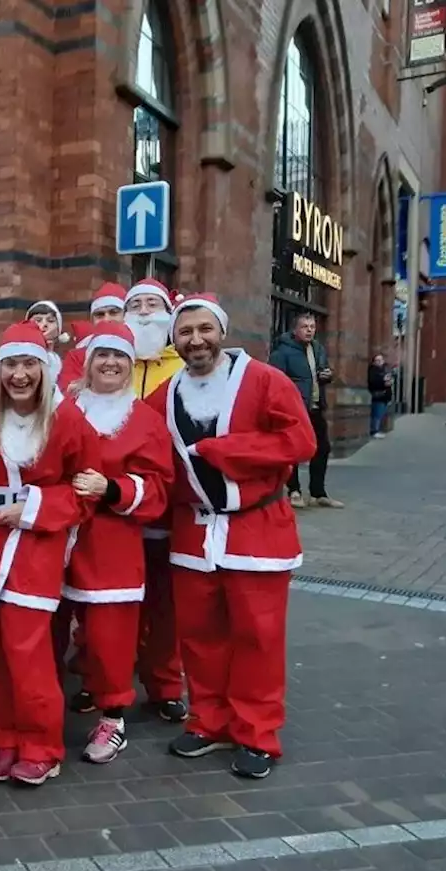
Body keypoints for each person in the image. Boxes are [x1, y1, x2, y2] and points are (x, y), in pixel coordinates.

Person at [145, 293, 315, 779]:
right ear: (174, 340)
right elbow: (142, 444)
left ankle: (257, 733)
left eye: (204, 329)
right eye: (185, 332)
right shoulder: (167, 392)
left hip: (256, 529)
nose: (195, 340)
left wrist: (227, 451)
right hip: (194, 533)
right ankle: (209, 721)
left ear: (221, 331)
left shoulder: (265, 380)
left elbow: (301, 441)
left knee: (257, 638)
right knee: (199, 637)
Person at [0, 322, 99, 786]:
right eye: (11, 364)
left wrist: (34, 508)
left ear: (44, 367)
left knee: (27, 651)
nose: (19, 374)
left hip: (37, 546)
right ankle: (4, 739)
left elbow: (85, 492)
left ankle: (41, 745)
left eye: (28, 363)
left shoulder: (67, 418)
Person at [71, 277, 187, 722]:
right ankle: (93, 682)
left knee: (153, 612)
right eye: (133, 303)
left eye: (150, 304)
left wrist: (114, 489)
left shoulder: (174, 375)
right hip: (81, 531)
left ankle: (156, 687)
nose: (141, 310)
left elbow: (158, 474)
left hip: (142, 520)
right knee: (94, 623)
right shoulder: (70, 403)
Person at [59, 323, 174, 763]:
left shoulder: (145, 420)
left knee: (111, 635)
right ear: (87, 363)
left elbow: (159, 487)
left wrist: (112, 489)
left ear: (131, 364)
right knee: (49, 631)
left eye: (119, 357)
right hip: (54, 537)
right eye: (102, 356)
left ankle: (112, 718)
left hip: (111, 543)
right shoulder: (63, 408)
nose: (110, 363)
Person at [269, 313, 342, 508]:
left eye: (312, 326)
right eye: (305, 326)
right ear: (295, 330)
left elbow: (323, 371)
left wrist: (327, 375)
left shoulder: (317, 348)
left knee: (322, 448)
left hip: (316, 407)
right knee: (294, 450)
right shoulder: (282, 352)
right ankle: (294, 490)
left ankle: (318, 493)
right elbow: (274, 381)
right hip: (295, 409)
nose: (309, 330)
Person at [59, 282, 128, 390]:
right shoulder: (76, 356)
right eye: (100, 314)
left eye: (113, 312)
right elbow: (68, 393)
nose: (106, 319)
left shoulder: (140, 352)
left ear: (126, 315)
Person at [25, 300, 68, 381]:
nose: (44, 324)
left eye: (50, 321)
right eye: (38, 320)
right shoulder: (23, 357)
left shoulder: (59, 359)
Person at [368, 352, 393, 439]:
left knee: (380, 413)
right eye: (377, 360)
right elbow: (373, 383)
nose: (379, 362)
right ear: (374, 362)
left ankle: (376, 430)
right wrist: (383, 381)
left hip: (385, 396)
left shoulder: (385, 369)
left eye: (381, 360)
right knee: (376, 414)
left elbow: (389, 383)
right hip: (378, 396)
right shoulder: (372, 371)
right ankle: (374, 431)